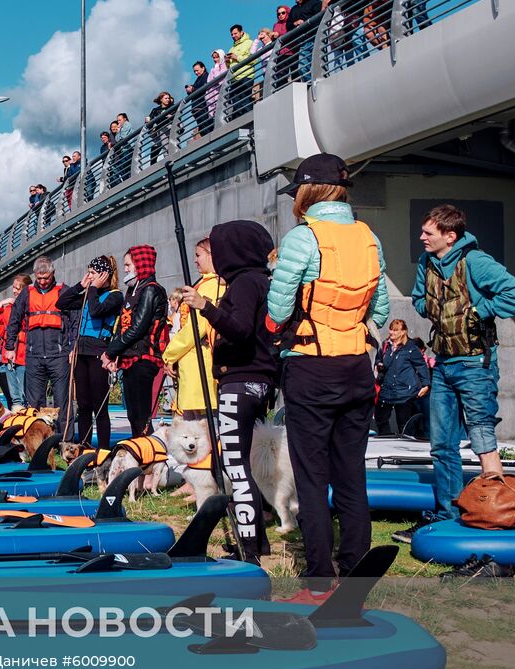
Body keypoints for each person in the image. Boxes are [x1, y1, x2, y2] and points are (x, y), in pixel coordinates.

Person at [267, 154, 389, 602]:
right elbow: (381, 310)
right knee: (351, 475)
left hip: (311, 367)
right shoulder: (369, 236)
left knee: (312, 478)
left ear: (307, 192)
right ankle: (357, 574)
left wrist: (278, 326)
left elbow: (277, 312)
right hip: (357, 367)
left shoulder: (302, 238)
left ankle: (319, 580)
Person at [394, 204, 515, 542]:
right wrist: (433, 307)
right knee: (442, 445)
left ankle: (495, 511)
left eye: (428, 232)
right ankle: (448, 514)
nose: (421, 237)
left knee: (482, 435)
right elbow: (418, 299)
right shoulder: (427, 262)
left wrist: (480, 311)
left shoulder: (477, 262)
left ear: (449, 236)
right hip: (442, 363)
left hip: (474, 363)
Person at [183, 219, 278, 561]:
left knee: (234, 466)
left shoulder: (243, 283)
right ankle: (258, 539)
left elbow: (238, 330)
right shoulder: (261, 281)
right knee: (242, 464)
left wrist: (205, 307)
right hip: (257, 382)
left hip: (239, 383)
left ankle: (248, 549)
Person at [103, 246, 168, 438]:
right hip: (130, 357)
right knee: (132, 414)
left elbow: (138, 327)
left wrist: (111, 351)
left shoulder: (151, 290)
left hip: (143, 357)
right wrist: (116, 353)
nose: (125, 269)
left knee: (141, 414)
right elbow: (121, 326)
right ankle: (140, 450)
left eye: (128, 265)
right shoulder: (133, 289)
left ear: (140, 265)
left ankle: (148, 453)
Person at [59, 255, 122, 448]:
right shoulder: (89, 294)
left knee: (98, 406)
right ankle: (84, 446)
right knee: (84, 405)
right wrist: (80, 285)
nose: (90, 276)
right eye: (89, 273)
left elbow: (96, 311)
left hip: (99, 352)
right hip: (81, 351)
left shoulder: (114, 296)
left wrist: (93, 288)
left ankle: (103, 450)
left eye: (93, 273)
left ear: (104, 275)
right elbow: (62, 303)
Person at [162, 238, 224, 421]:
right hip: (194, 361)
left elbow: (196, 327)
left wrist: (170, 354)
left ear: (211, 254)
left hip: (200, 364)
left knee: (199, 426)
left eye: (198, 255)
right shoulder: (207, 283)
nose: (195, 260)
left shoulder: (211, 285)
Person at [4, 257, 73, 419]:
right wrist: (9, 347)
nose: (42, 282)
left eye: (46, 277)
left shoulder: (63, 291)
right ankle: (38, 442)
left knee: (62, 402)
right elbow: (14, 319)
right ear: (35, 275)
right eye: (39, 278)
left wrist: (73, 347)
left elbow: (75, 320)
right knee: (35, 404)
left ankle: (64, 441)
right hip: (34, 356)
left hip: (59, 356)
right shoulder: (27, 293)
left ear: (53, 273)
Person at [373, 320, 430, 438]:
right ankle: (386, 441)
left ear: (403, 332)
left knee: (404, 423)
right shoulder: (385, 345)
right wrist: (379, 364)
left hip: (405, 392)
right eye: (390, 329)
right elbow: (378, 359)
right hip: (387, 389)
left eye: (395, 330)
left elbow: (421, 366)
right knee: (380, 418)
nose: (391, 332)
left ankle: (405, 445)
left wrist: (426, 384)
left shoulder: (411, 348)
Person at [0, 273, 30, 406]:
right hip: (10, 354)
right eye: (14, 287)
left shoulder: (29, 306)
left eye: (18, 288)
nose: (15, 291)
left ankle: (27, 418)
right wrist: (2, 304)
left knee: (24, 393)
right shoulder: (8, 308)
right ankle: (16, 419)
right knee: (14, 395)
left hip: (23, 354)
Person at [284, 0, 324, 84]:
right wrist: (295, 23)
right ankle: (311, 85)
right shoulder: (294, 9)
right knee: (302, 67)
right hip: (303, 41)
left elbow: (319, 18)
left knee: (319, 64)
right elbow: (288, 25)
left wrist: (304, 22)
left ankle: (319, 84)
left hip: (315, 38)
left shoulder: (316, 3)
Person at [225, 25, 256, 117]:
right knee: (236, 104)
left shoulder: (250, 42)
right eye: (232, 34)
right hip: (234, 79)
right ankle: (243, 124)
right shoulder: (231, 48)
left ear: (241, 32)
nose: (233, 36)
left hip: (246, 76)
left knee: (245, 100)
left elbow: (253, 59)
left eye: (235, 33)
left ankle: (251, 120)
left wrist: (236, 57)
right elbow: (229, 67)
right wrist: (227, 62)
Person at [145, 92, 174, 163]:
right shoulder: (156, 110)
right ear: (161, 99)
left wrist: (172, 116)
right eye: (166, 98)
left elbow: (177, 115)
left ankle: (174, 161)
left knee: (172, 145)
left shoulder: (172, 106)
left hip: (171, 127)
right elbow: (150, 119)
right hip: (161, 130)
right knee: (164, 148)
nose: (168, 100)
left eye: (168, 98)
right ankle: (168, 163)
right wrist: (147, 120)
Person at [188, 61, 213, 137]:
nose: (196, 73)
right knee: (202, 128)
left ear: (203, 68)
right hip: (197, 107)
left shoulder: (206, 76)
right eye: (194, 71)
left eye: (197, 70)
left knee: (205, 127)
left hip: (201, 106)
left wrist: (193, 89)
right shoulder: (198, 79)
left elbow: (204, 89)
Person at [205, 50, 228, 125]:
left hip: (220, 95)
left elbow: (220, 81)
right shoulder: (213, 69)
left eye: (217, 57)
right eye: (214, 58)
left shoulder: (225, 67)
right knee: (212, 118)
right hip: (211, 97)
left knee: (221, 113)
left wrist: (217, 68)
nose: (215, 60)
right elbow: (209, 82)